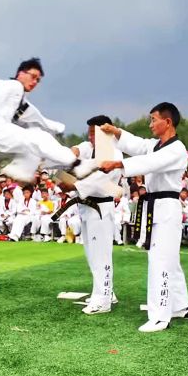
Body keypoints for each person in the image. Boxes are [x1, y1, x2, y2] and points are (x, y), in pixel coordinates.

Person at [99, 102, 188, 333]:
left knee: (160, 259)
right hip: (155, 205)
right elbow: (137, 145)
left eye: (153, 119)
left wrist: (117, 163)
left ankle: (160, 316)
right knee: (170, 259)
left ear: (167, 122)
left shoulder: (176, 148)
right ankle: (180, 306)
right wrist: (116, 131)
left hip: (167, 206)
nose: (150, 124)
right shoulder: (154, 145)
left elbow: (151, 163)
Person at [0, 57, 98, 183]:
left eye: (38, 80)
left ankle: (20, 170)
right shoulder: (11, 85)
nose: (35, 82)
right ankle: (77, 164)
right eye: (33, 77)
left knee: (35, 137)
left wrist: (54, 126)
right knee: (39, 138)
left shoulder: (20, 98)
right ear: (21, 73)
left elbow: (33, 115)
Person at [62, 115, 124, 314]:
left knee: (101, 255)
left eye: (93, 133)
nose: (90, 137)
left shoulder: (113, 154)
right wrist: (72, 153)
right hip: (86, 206)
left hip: (101, 207)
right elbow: (78, 149)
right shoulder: (91, 148)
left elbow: (97, 181)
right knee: (91, 253)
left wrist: (71, 185)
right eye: (88, 133)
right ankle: (106, 291)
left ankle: (103, 300)